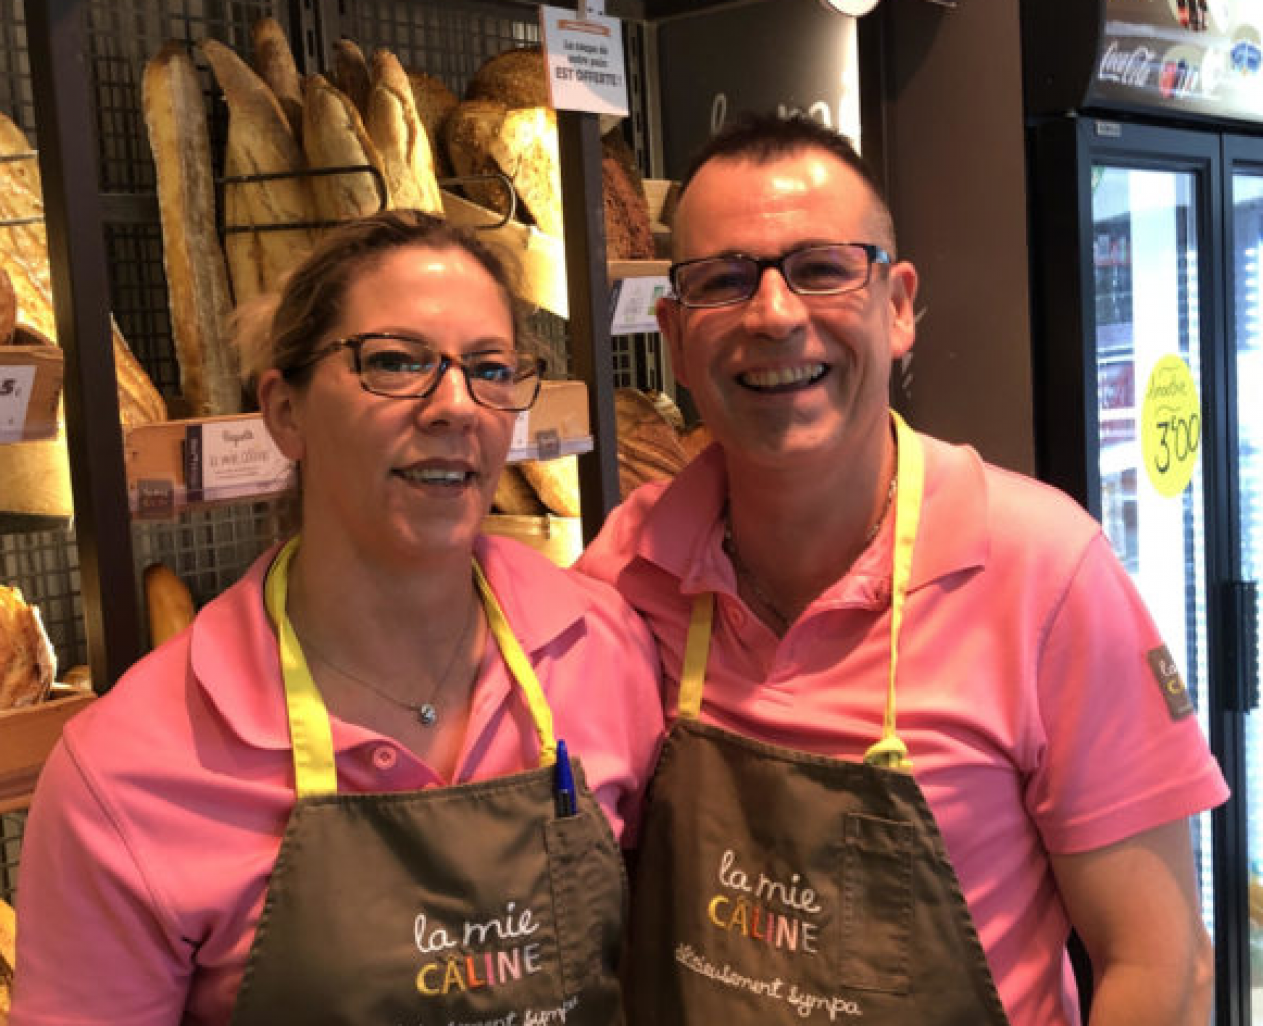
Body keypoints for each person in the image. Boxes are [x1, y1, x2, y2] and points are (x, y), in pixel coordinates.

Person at [576, 113, 1229, 1026]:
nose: (773, 313)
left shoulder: (1044, 572)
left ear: (898, 306)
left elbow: (1161, 968)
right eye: (724, 281)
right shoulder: (620, 574)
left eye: (821, 269)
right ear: (676, 339)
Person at [11, 210, 663, 1026]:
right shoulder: (126, 772)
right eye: (394, 362)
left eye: (491, 369)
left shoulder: (599, 649)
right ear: (285, 412)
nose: (456, 405)